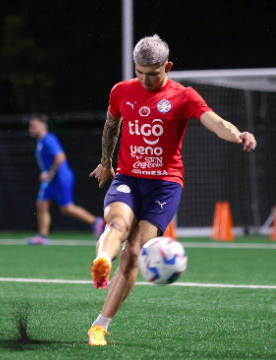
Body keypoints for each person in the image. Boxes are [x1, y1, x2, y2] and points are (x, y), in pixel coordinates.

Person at [87, 34, 257, 345]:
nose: (145, 80)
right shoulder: (121, 91)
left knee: (135, 251)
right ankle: (102, 262)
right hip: (127, 177)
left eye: (153, 73)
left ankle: (99, 326)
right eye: (139, 72)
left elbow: (216, 122)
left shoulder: (184, 96)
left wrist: (238, 135)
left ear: (168, 66)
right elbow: (111, 126)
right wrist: (106, 163)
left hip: (165, 185)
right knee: (117, 224)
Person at [26, 115, 105, 245]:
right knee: (42, 205)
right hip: (52, 180)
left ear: (43, 126)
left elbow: (60, 157)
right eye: (30, 126)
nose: (31, 129)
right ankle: (42, 236)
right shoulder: (40, 141)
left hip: (61, 178)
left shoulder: (48, 140)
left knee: (67, 209)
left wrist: (50, 174)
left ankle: (96, 222)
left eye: (34, 126)